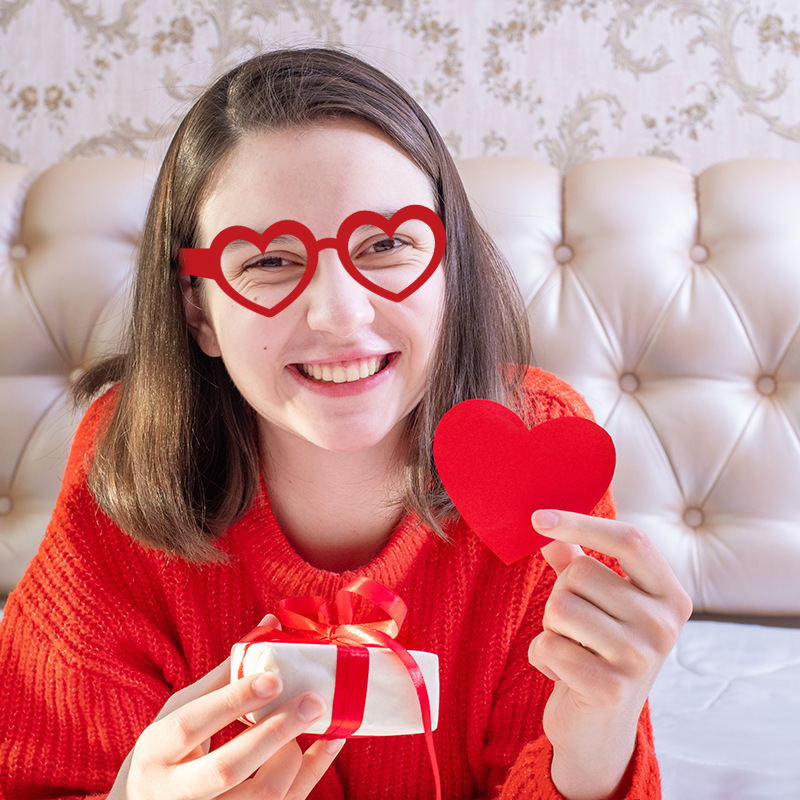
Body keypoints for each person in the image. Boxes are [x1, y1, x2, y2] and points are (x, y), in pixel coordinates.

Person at [0, 48, 691, 800]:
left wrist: (596, 741)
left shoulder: (535, 455)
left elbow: (564, 752)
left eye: (387, 245)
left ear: (448, 265)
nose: (339, 314)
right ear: (199, 310)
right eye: (265, 260)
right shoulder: (127, 458)